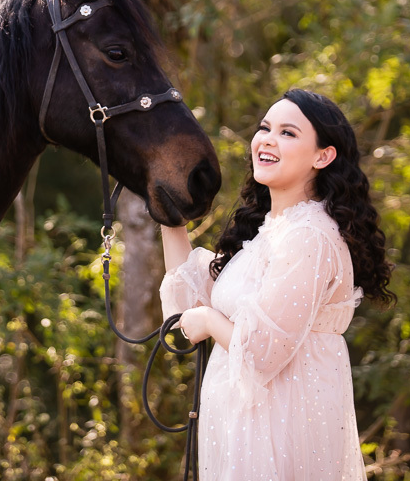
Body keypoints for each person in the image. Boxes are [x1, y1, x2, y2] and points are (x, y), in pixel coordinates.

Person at [160, 89, 394, 480]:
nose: (267, 138)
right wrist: (170, 217)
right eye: (265, 127)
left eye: (288, 132)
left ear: (323, 156)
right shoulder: (272, 231)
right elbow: (193, 300)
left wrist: (208, 321)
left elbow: (262, 351)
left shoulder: (310, 236)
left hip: (280, 428)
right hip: (245, 425)